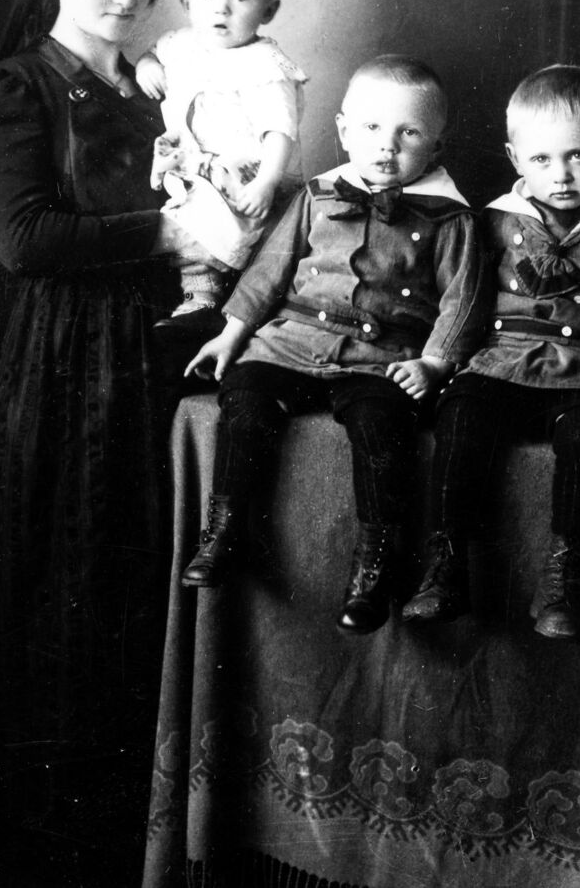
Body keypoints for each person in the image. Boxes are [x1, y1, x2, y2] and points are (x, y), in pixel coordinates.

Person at [0, 0, 178, 886]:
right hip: (64, 359)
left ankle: (123, 839)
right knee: (61, 579)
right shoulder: (15, 86)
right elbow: (26, 241)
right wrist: (166, 232)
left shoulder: (162, 86)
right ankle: (40, 842)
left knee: (133, 582)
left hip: (153, 355)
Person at [181, 55, 486, 635]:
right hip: (293, 341)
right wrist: (231, 335)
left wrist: (434, 361)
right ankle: (226, 532)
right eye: (371, 128)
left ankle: (374, 569)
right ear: (344, 130)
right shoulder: (319, 194)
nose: (387, 146)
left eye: (409, 133)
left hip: (381, 355)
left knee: (381, 429)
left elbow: (462, 300)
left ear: (436, 146)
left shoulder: (450, 219)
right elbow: (269, 270)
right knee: (245, 397)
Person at [402, 64, 580, 639]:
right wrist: (441, 361)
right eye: (541, 159)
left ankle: (567, 577)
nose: (560, 175)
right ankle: (447, 564)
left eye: (578, 155)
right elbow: (463, 300)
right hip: (503, 361)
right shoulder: (493, 220)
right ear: (515, 159)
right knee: (462, 413)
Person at [136, 0, 308, 333]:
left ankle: (218, 302)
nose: (221, 8)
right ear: (186, 2)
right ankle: (199, 294)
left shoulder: (265, 65)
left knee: (242, 240)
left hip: (248, 177)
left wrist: (267, 181)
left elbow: (280, 130)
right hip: (198, 169)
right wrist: (147, 65)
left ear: (268, 10)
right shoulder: (180, 44)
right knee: (192, 230)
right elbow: (153, 53)